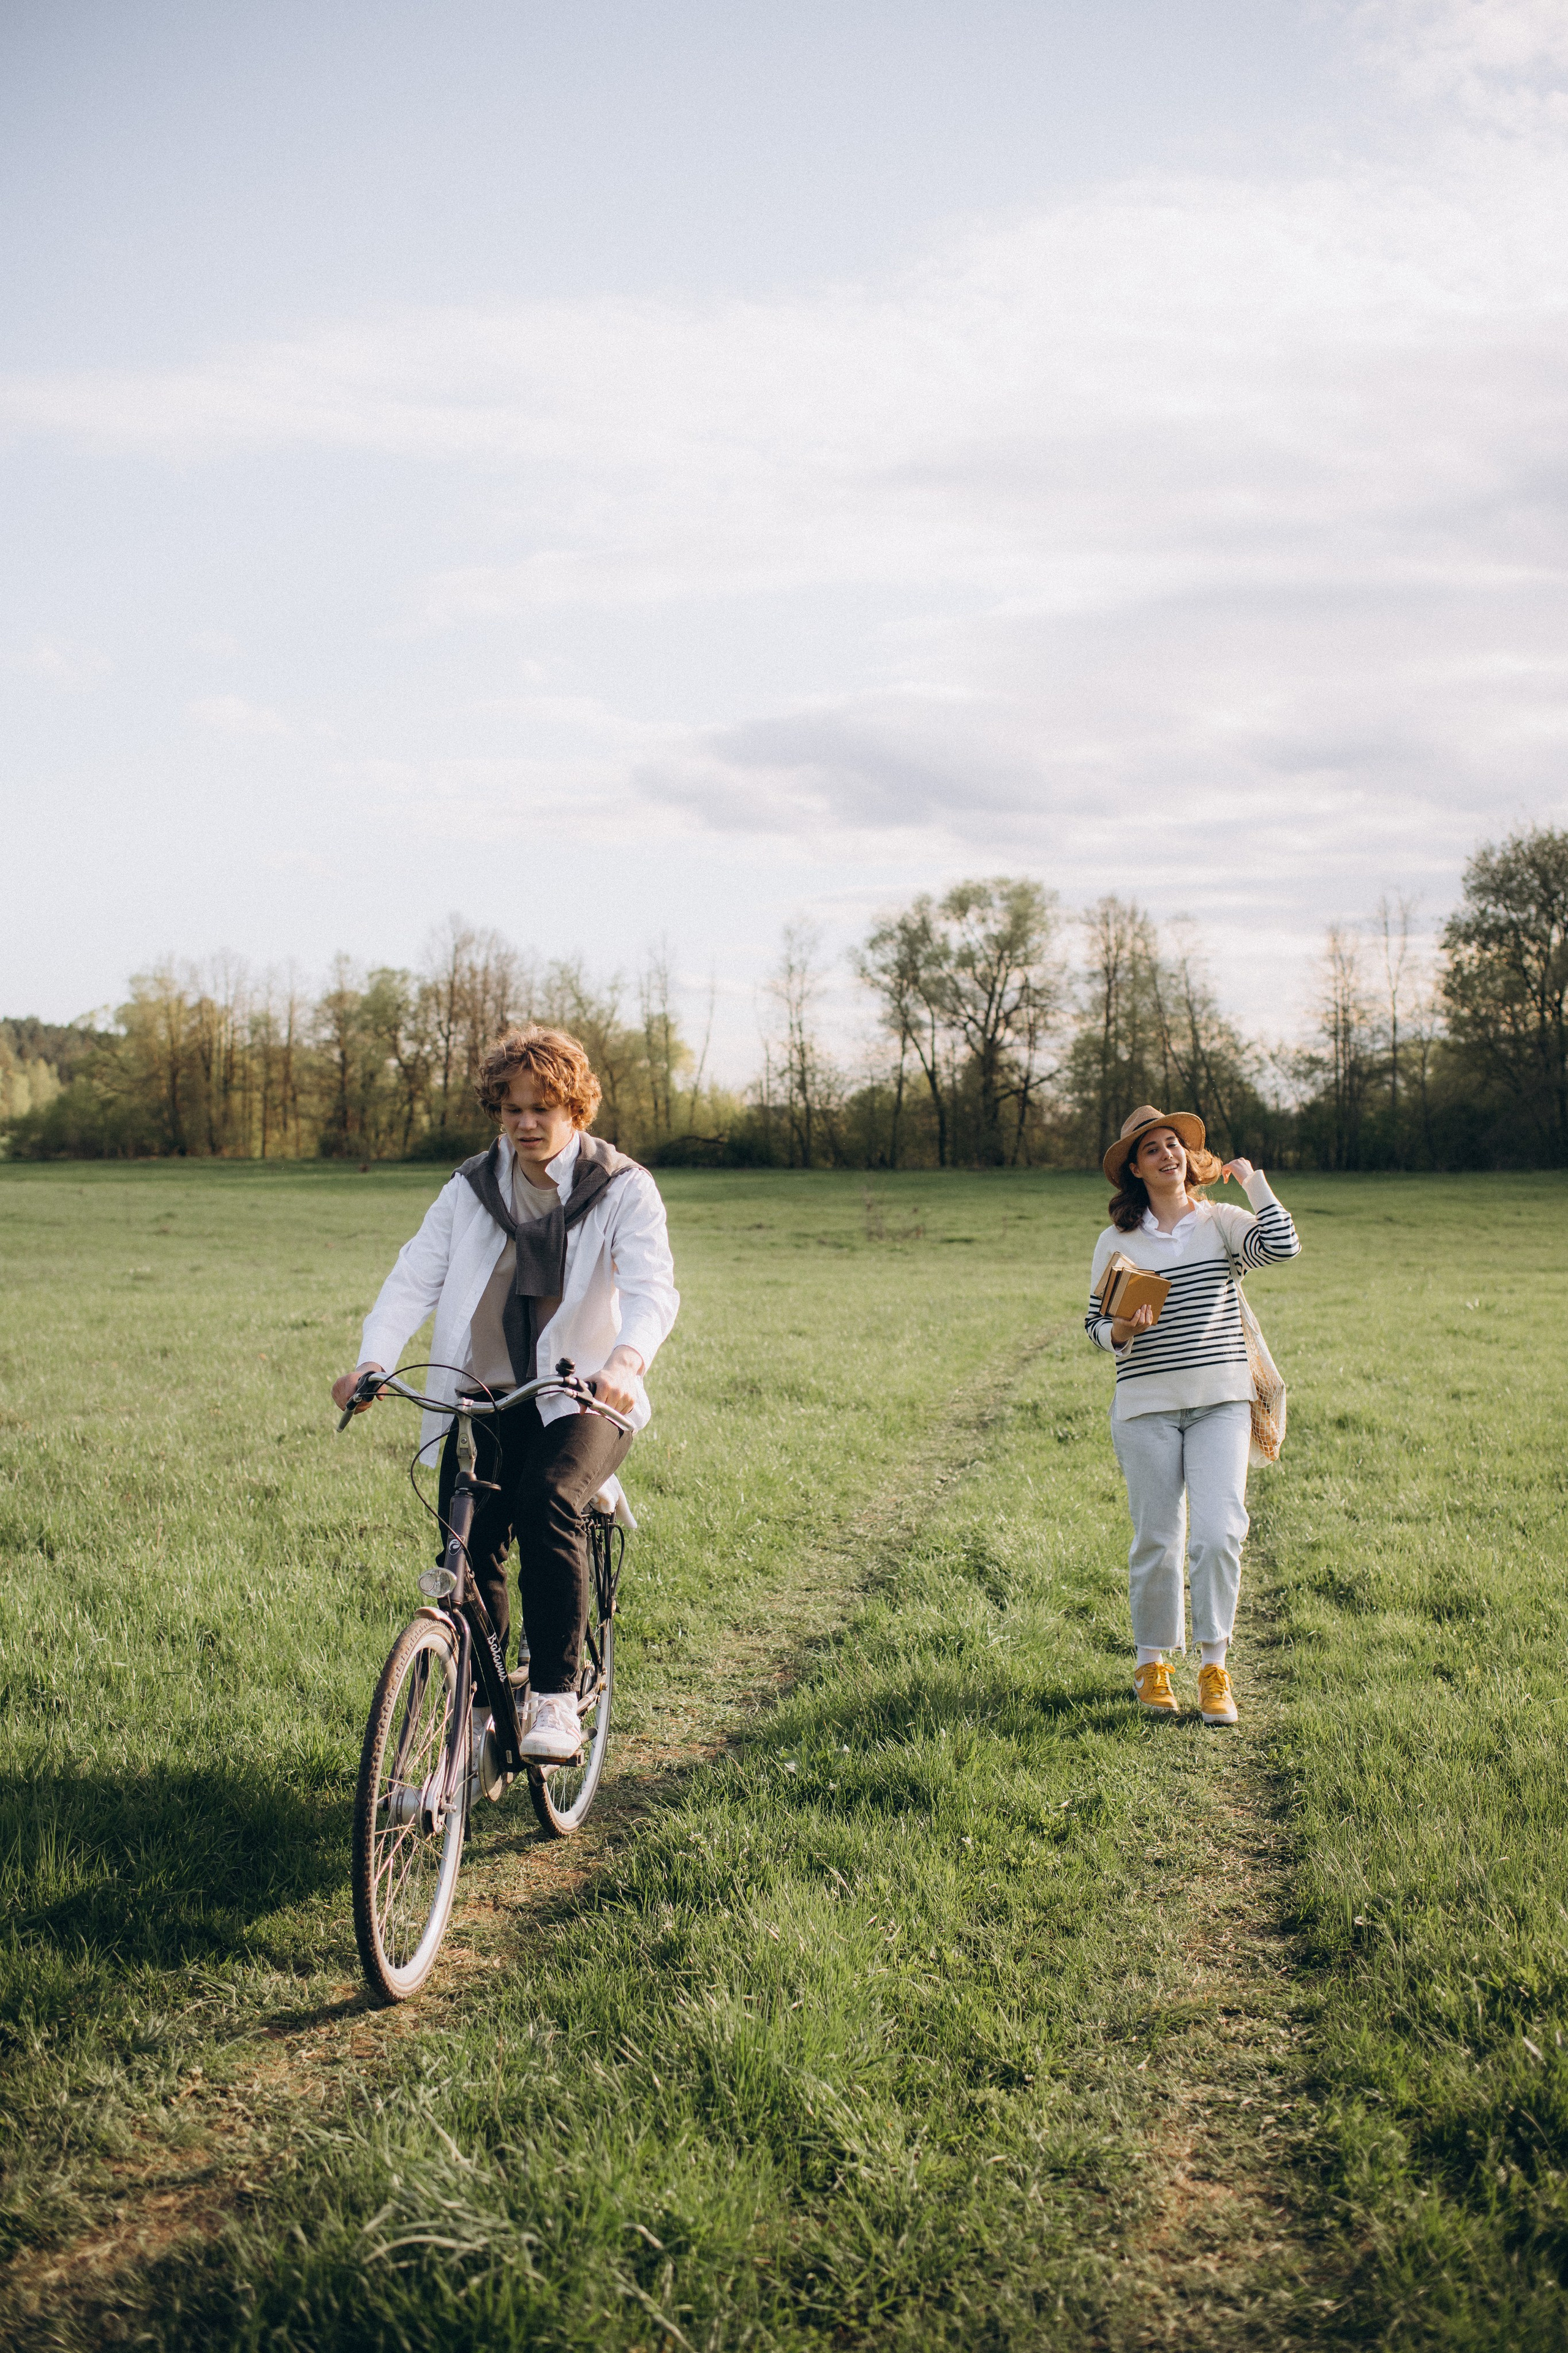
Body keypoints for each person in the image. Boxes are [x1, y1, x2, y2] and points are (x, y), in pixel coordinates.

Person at [331, 1026, 679, 1762]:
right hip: (486, 1390)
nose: (525, 1123)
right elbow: (413, 1277)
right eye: (511, 1108)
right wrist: (371, 1362)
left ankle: (554, 1696)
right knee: (471, 1537)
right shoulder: (471, 1187)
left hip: (584, 1395)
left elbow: (653, 1291)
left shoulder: (622, 1187)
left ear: (575, 1109)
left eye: (542, 1107)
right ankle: (483, 1708)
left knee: (549, 1497)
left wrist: (626, 1358)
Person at [1085, 1105, 1300, 1726]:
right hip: (1146, 1407)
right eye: (1151, 1149)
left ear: (1189, 1157)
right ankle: (1152, 1663)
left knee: (1218, 1533)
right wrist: (1121, 1329)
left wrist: (1254, 1182)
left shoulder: (1222, 1223)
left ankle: (1214, 1666)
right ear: (1134, 1167)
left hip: (1219, 1404)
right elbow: (1094, 1325)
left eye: (1174, 1144)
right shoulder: (1117, 1241)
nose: (1167, 1154)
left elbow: (1283, 1246)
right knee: (1157, 1538)